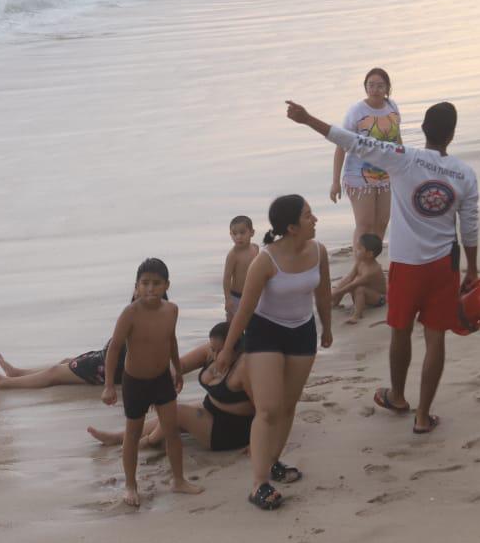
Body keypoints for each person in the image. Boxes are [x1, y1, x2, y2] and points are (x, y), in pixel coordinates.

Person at [285, 99, 479, 437]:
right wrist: (472, 269)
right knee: (436, 339)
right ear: (452, 134)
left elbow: (351, 141)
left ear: (422, 130)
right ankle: (423, 416)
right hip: (443, 266)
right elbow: (471, 227)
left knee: (400, 331)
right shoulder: (465, 173)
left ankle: (399, 397)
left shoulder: (403, 159)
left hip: (406, 266)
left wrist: (306, 119)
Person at [210, 195, 333, 510]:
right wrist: (226, 351)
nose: (315, 219)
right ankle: (259, 484)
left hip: (302, 331)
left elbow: (323, 293)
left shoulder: (319, 251)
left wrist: (328, 328)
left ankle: (273, 461)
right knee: (268, 409)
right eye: (308, 216)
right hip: (265, 333)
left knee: (289, 406)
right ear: (291, 227)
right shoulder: (265, 260)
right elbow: (246, 309)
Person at [100, 258, 201, 506]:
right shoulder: (130, 313)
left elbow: (171, 341)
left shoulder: (171, 310)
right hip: (135, 382)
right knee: (132, 435)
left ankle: (178, 480)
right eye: (144, 283)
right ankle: (131, 486)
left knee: (172, 432)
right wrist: (109, 385)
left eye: (156, 283)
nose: (150, 289)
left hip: (161, 380)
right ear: (136, 287)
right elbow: (114, 348)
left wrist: (177, 369)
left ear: (166, 285)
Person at [88, 322, 256, 452]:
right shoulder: (210, 351)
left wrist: (257, 443)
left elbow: (264, 409)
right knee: (168, 410)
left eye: (221, 351)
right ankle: (118, 437)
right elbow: (179, 364)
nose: (216, 355)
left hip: (232, 430)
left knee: (175, 412)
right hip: (212, 411)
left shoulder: (244, 368)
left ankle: (147, 442)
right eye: (213, 349)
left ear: (236, 349)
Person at [329, 68, 402, 264]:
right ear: (365, 87)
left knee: (381, 222)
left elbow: (397, 140)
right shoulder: (356, 111)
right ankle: (359, 266)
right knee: (365, 223)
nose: (375, 89)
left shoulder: (392, 107)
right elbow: (341, 145)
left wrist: (403, 168)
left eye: (380, 86)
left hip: (385, 175)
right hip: (358, 175)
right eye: (371, 85)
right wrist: (335, 182)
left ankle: (371, 263)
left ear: (387, 88)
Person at [332, 232, 387, 324]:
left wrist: (336, 293)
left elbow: (353, 285)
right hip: (365, 293)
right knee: (345, 280)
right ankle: (335, 303)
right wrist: (337, 292)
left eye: (359, 249)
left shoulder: (372, 271)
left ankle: (357, 315)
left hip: (378, 298)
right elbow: (350, 278)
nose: (355, 250)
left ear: (369, 254)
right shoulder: (360, 262)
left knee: (359, 289)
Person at [222, 214, 259, 319]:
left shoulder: (255, 248)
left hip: (254, 296)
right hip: (236, 296)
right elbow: (227, 278)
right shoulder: (233, 255)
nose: (238, 237)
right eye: (234, 233)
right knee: (232, 325)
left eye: (242, 233)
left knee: (254, 323)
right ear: (230, 234)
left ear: (252, 233)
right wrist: (228, 299)